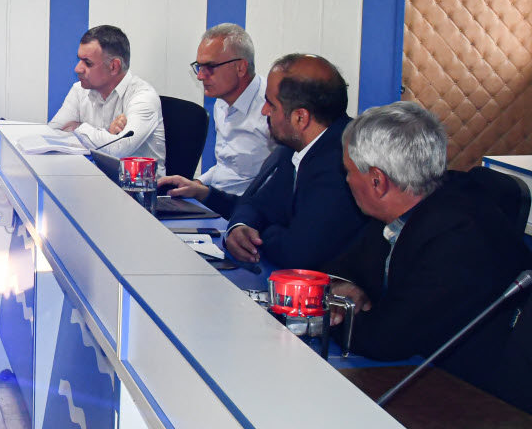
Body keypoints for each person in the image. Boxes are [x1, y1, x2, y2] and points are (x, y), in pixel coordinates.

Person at [325, 103, 532, 410]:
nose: (346, 181)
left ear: (377, 181)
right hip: (421, 371)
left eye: (349, 172)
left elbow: (385, 340)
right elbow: (344, 267)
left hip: (473, 400)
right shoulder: (406, 205)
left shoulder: (459, 237)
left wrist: (328, 314)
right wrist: (344, 287)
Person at [224, 54, 366, 269]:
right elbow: (255, 203)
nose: (264, 111)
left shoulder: (342, 164)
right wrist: (240, 226)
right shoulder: (294, 148)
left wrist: (260, 233)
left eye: (271, 104)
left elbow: (298, 254)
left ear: (300, 118)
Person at [158, 23, 272, 214]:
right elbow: (226, 166)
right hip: (214, 201)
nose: (200, 76)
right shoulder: (222, 102)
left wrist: (203, 193)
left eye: (210, 67)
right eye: (199, 67)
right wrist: (196, 184)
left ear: (240, 67)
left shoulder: (272, 110)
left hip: (247, 212)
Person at [48, 25, 166, 162]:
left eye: (87, 63)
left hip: (135, 176)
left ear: (114, 66)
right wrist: (107, 134)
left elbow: (118, 149)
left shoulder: (143, 97)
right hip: (91, 173)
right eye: (79, 60)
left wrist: (78, 127)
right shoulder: (79, 90)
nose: (78, 69)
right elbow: (51, 134)